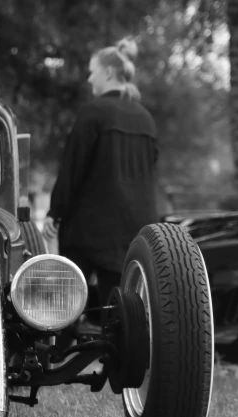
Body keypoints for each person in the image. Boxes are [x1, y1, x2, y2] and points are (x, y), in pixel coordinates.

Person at [42, 38, 158, 306]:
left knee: (66, 308)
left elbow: (73, 167)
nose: (89, 79)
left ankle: (66, 348)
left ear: (107, 72)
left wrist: (55, 211)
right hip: (134, 232)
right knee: (122, 316)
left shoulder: (93, 113)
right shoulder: (146, 119)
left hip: (89, 231)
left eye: (92, 72)